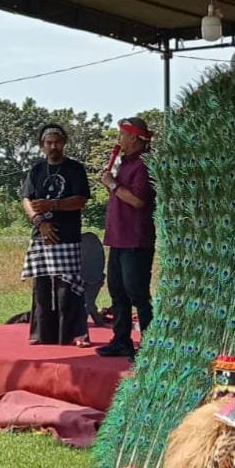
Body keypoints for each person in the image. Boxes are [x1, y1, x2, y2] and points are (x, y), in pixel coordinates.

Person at [20, 123, 90, 346]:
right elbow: (26, 200)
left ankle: (76, 334)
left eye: (57, 142)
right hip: (41, 234)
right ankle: (41, 334)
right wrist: (39, 221)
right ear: (42, 146)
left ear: (64, 143)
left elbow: (80, 200)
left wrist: (53, 204)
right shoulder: (36, 170)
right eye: (49, 143)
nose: (53, 146)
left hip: (66, 236)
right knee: (41, 288)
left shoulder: (75, 169)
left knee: (67, 289)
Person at [96, 116, 156, 360]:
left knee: (137, 293)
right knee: (117, 292)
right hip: (118, 238)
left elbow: (138, 200)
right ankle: (121, 340)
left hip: (136, 240)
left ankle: (150, 344)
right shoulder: (124, 164)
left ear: (133, 137)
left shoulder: (143, 165)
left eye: (122, 134)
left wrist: (112, 185)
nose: (119, 140)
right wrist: (110, 183)